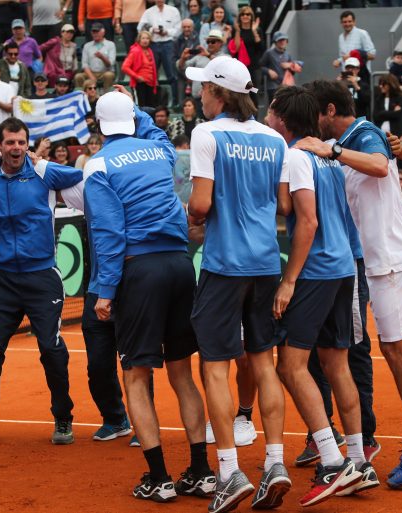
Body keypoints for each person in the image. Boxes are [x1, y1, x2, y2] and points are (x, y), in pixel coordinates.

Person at [297, 79, 402, 491]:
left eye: (316, 112)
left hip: (391, 260)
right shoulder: (354, 139)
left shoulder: (361, 134)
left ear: (330, 110)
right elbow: (399, 154)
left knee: (397, 349)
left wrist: (331, 150)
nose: (313, 121)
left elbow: (381, 165)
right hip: (376, 261)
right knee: (390, 348)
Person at [80, 88, 213, 503]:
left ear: (99, 125)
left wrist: (105, 291)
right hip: (179, 265)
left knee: (136, 376)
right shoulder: (159, 151)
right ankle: (201, 471)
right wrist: (134, 107)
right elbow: (154, 131)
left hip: (139, 272)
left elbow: (108, 233)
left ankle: (158, 477)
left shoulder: (97, 164)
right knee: (182, 373)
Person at [267, 86, 378, 508]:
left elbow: (307, 221)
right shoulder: (325, 156)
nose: (266, 116)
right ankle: (358, 460)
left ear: (282, 118)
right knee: (336, 364)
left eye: (270, 111)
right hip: (343, 268)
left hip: (316, 270)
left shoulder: (297, 156)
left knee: (290, 366)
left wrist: (289, 280)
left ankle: (332, 462)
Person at [185, 55, 288, 511]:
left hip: (224, 265)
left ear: (218, 93)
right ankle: (275, 463)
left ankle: (228, 472)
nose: (199, 94)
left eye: (204, 88)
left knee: (214, 367)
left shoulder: (206, 134)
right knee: (263, 362)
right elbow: (283, 204)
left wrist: (194, 219)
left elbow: (201, 204)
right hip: (266, 264)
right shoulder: (274, 139)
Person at [0, 117, 81, 445]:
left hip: (42, 276)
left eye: (21, 142)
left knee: (51, 349)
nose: (16, 148)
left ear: (28, 145)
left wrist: (43, 163)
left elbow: (79, 175)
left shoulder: (43, 173)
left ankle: (63, 418)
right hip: (0, 279)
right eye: (10, 142)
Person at [137, 0, 180, 107]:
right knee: (151, 75)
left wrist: (166, 32)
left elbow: (178, 29)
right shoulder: (148, 12)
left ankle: (175, 102)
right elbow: (140, 28)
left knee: (172, 74)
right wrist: (152, 29)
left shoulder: (173, 11)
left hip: (168, 43)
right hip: (153, 44)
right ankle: (153, 102)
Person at [178, 29, 226, 102]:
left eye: (213, 41)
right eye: (208, 42)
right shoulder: (200, 56)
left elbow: (223, 67)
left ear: (220, 43)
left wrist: (208, 55)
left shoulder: (225, 57)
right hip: (197, 98)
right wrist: (183, 58)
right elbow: (182, 67)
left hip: (215, 99)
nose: (210, 44)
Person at [121, 30, 158, 108]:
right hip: (139, 83)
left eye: (147, 38)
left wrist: (155, 80)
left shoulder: (149, 51)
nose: (145, 40)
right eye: (143, 38)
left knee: (150, 107)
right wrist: (137, 77)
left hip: (150, 83)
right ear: (139, 40)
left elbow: (153, 68)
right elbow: (124, 67)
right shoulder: (135, 51)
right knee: (141, 106)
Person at [75, 23, 116, 91]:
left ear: (103, 32)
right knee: (78, 76)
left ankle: (107, 95)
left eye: (97, 32)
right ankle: (82, 95)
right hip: (90, 72)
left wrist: (102, 57)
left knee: (109, 75)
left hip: (105, 72)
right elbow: (84, 64)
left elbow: (110, 64)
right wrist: (91, 76)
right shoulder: (87, 46)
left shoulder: (110, 44)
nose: (95, 34)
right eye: (93, 32)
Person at [259, 31, 296, 100]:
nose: (282, 42)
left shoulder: (288, 54)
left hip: (286, 86)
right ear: (275, 42)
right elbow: (260, 67)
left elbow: (293, 72)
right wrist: (269, 71)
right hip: (273, 87)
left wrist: (290, 66)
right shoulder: (269, 53)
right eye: (279, 40)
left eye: (284, 40)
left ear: (287, 41)